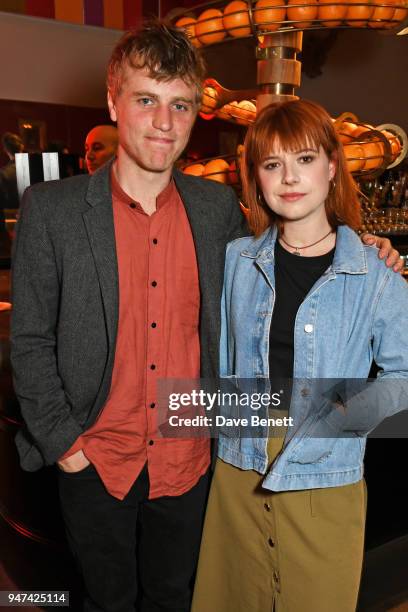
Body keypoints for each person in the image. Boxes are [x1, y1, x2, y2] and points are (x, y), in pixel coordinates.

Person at [10, 21, 401, 612]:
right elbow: (30, 340)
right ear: (114, 99)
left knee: (179, 598)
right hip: (95, 456)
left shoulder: (218, 211)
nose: (164, 123)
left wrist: (370, 247)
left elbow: (301, 242)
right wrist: (66, 443)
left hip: (193, 454)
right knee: (103, 599)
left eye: (181, 105)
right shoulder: (53, 211)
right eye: (147, 101)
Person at [192, 99, 408, 612]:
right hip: (238, 466)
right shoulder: (235, 262)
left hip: (325, 473)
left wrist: (339, 413)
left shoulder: (375, 275)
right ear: (257, 178)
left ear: (333, 167)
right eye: (272, 164)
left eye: (305, 159)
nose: (289, 177)